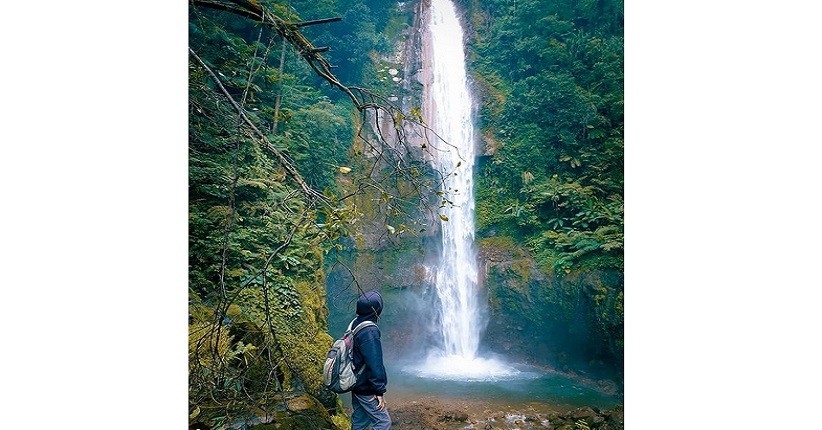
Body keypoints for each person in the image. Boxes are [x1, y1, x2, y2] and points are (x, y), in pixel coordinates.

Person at [349, 290, 391, 430]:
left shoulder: (356, 323)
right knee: (383, 422)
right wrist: (379, 391)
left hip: (356, 382)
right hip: (366, 387)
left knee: (360, 421)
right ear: (376, 310)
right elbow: (374, 363)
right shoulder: (370, 331)